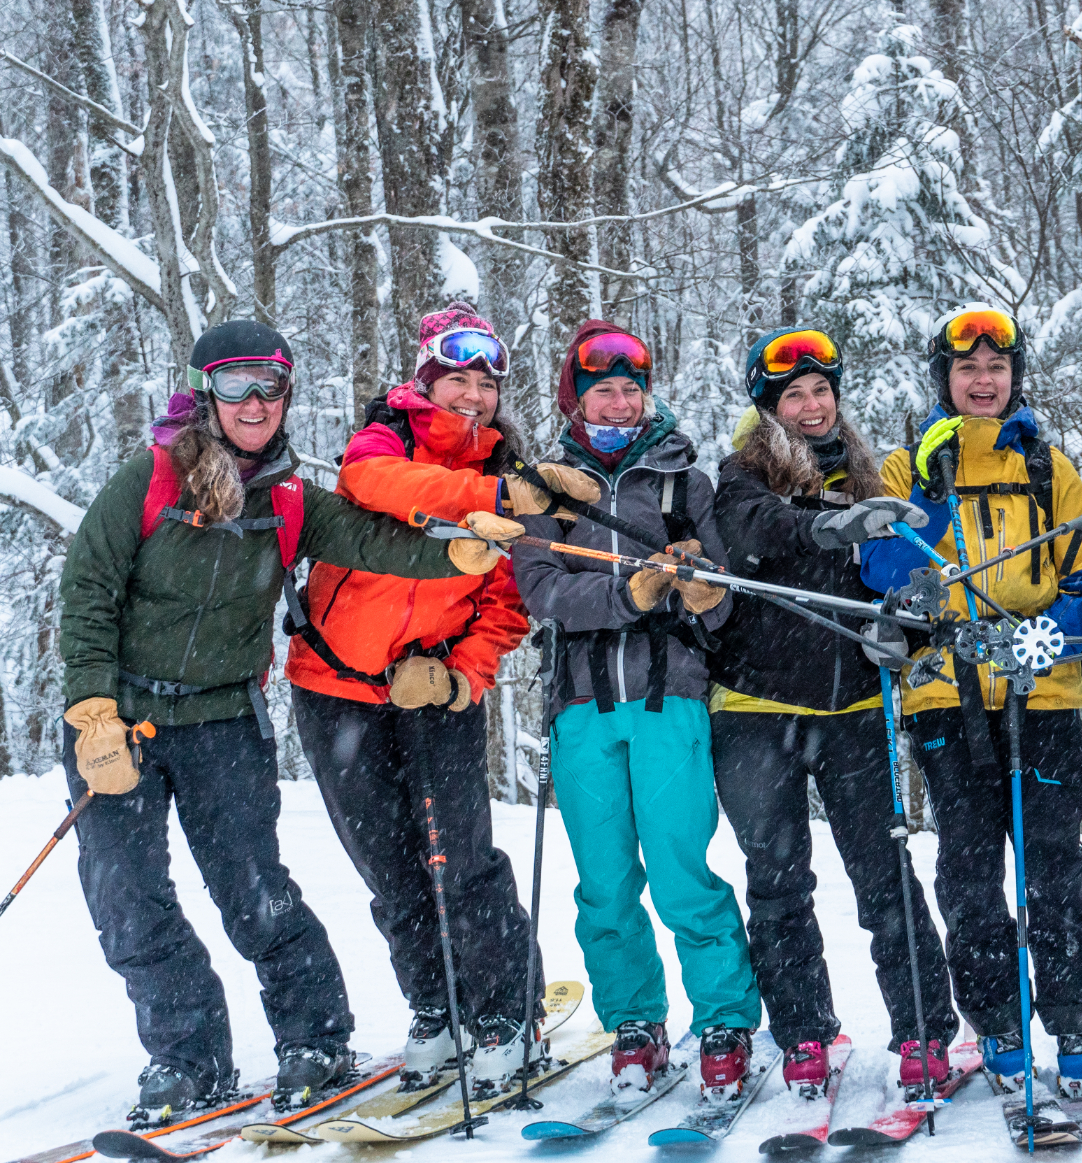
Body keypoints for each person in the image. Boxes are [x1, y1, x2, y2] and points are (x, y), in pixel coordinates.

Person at [58, 320, 511, 1117]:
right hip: (118, 721)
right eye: (236, 384)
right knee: (127, 899)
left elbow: (372, 540)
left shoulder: (292, 497)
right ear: (207, 395)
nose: (255, 401)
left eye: (270, 383)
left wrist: (456, 556)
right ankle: (186, 1058)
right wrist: (93, 708)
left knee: (255, 891)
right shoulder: (153, 478)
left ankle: (315, 1037)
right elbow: (88, 588)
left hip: (222, 720)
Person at [287, 301, 601, 1093]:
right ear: (426, 380)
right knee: (389, 868)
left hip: (434, 692)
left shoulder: (511, 472)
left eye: (485, 383)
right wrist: (494, 493)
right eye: (455, 377)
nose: (472, 395)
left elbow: (505, 603)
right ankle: (436, 1005)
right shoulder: (387, 437)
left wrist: (462, 672)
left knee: (461, 860)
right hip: (333, 687)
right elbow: (375, 483)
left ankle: (503, 1009)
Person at [859, 304, 1082, 1099]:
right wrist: (932, 490)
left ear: (1014, 378)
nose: (982, 381)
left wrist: (1051, 627)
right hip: (947, 696)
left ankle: (1076, 1015)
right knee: (968, 872)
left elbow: (1080, 574)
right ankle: (998, 1018)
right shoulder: (906, 467)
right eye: (967, 370)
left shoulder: (1049, 466)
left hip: (1041, 695)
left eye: (996, 369)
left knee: (1053, 866)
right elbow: (883, 567)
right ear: (945, 378)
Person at [512, 321, 763, 1100]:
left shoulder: (682, 481)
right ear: (576, 402)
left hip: (667, 698)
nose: (619, 403)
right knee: (606, 883)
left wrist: (701, 589)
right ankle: (636, 1021)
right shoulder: (545, 485)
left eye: (630, 388)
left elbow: (722, 607)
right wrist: (629, 592)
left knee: (683, 870)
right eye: (602, 391)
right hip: (583, 705)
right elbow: (542, 588)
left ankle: (724, 1018)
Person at [709, 327, 956, 1094]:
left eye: (822, 391)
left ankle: (923, 1030)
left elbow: (908, 580)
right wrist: (828, 523)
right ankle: (805, 1035)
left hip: (852, 705)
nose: (812, 406)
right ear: (769, 407)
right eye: (794, 396)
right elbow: (757, 535)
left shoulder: (873, 472)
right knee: (779, 881)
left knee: (884, 873)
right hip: (755, 707)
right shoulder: (739, 476)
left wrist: (905, 630)